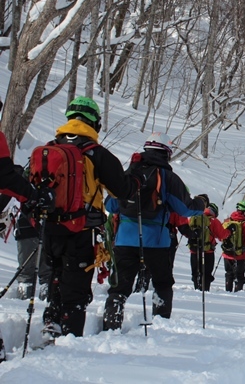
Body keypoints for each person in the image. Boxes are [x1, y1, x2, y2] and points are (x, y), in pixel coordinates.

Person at [40, 96, 141, 338]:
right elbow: (123, 190)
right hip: (82, 228)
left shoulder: (49, 148)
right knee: (75, 287)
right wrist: (135, 180)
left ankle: (51, 322)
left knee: (56, 277)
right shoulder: (97, 153)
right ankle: (68, 337)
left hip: (50, 227)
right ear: (94, 123)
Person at [103, 132, 208, 331]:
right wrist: (202, 203)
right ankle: (160, 327)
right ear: (166, 153)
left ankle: (111, 325)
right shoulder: (168, 177)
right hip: (156, 242)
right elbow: (185, 208)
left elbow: (111, 205)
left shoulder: (129, 173)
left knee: (120, 286)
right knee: (162, 282)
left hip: (125, 240)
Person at [0, 96, 54, 360]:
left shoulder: (25, 171)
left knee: (28, 259)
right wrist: (32, 195)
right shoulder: (36, 178)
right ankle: (37, 286)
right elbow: (4, 178)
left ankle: (28, 286)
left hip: (26, 225)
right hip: (35, 222)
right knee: (39, 260)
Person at [219, 200, 245, 292]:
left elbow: (220, 235)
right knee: (239, 276)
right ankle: (237, 294)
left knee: (229, 273)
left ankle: (228, 291)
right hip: (240, 254)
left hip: (227, 253)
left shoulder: (227, 221)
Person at [188, 203, 230, 291]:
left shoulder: (194, 218)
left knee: (195, 272)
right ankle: (205, 290)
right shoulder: (214, 221)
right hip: (208, 251)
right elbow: (222, 235)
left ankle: (196, 288)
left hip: (194, 250)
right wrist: (228, 231)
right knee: (206, 273)